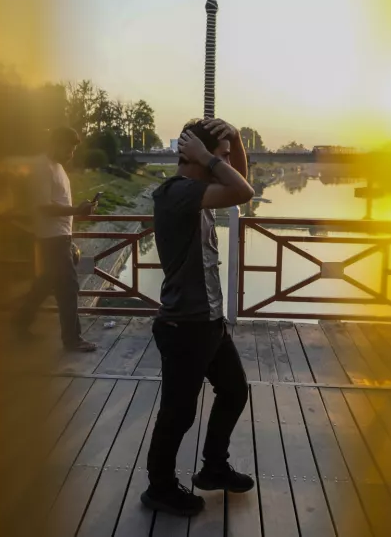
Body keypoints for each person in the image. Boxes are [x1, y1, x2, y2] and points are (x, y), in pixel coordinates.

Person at [141, 118, 256, 516]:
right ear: (197, 156)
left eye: (222, 156)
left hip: (207, 323)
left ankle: (214, 468)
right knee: (178, 412)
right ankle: (159, 487)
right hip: (183, 326)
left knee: (234, 391)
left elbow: (238, 186)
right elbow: (244, 190)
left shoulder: (199, 193)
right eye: (218, 156)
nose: (223, 162)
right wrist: (209, 156)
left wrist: (236, 140)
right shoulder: (177, 193)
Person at [13, 127, 98, 352]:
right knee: (68, 287)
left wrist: (78, 210)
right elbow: (44, 207)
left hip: (61, 236)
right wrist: (76, 211)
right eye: (69, 148)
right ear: (56, 143)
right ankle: (72, 339)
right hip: (52, 237)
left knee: (45, 284)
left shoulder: (58, 168)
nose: (71, 154)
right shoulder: (42, 168)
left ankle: (19, 324)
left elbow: (58, 203)